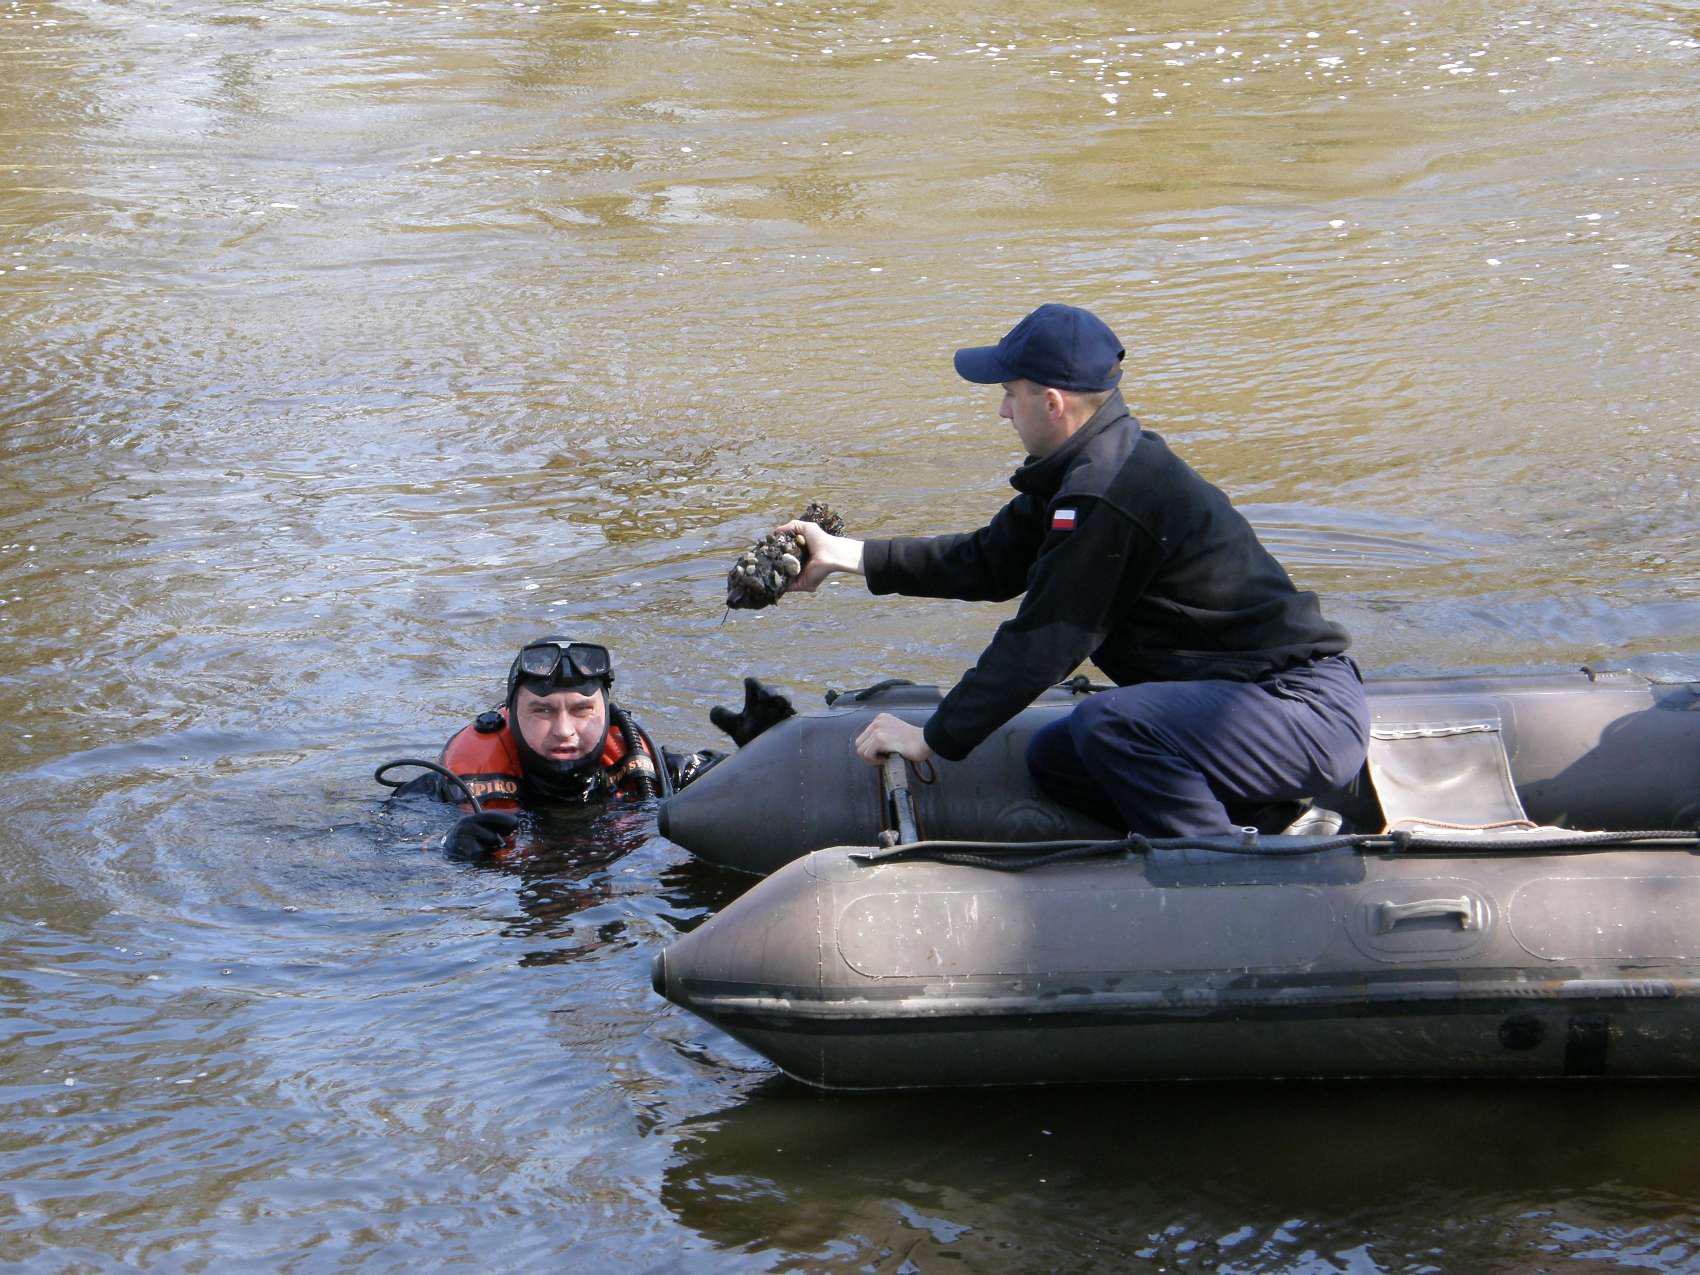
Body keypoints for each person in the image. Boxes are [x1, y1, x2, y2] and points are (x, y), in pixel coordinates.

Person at [774, 302, 1369, 838]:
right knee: (1057, 758)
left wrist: (931, 738)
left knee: (1110, 724)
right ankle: (1278, 823)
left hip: (1298, 712)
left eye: (1010, 394)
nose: (1003, 411)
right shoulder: (1082, 471)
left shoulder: (1108, 492)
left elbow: (1045, 642)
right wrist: (842, 555)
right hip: (1244, 707)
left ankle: (1219, 864)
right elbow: (985, 562)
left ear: (1052, 402)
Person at [386, 637, 794, 856]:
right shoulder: (448, 787)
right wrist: (447, 847)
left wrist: (769, 751)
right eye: (542, 711)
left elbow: (768, 800)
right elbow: (379, 853)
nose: (564, 731)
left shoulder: (652, 768)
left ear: (608, 711)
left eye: (582, 710)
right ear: (510, 713)